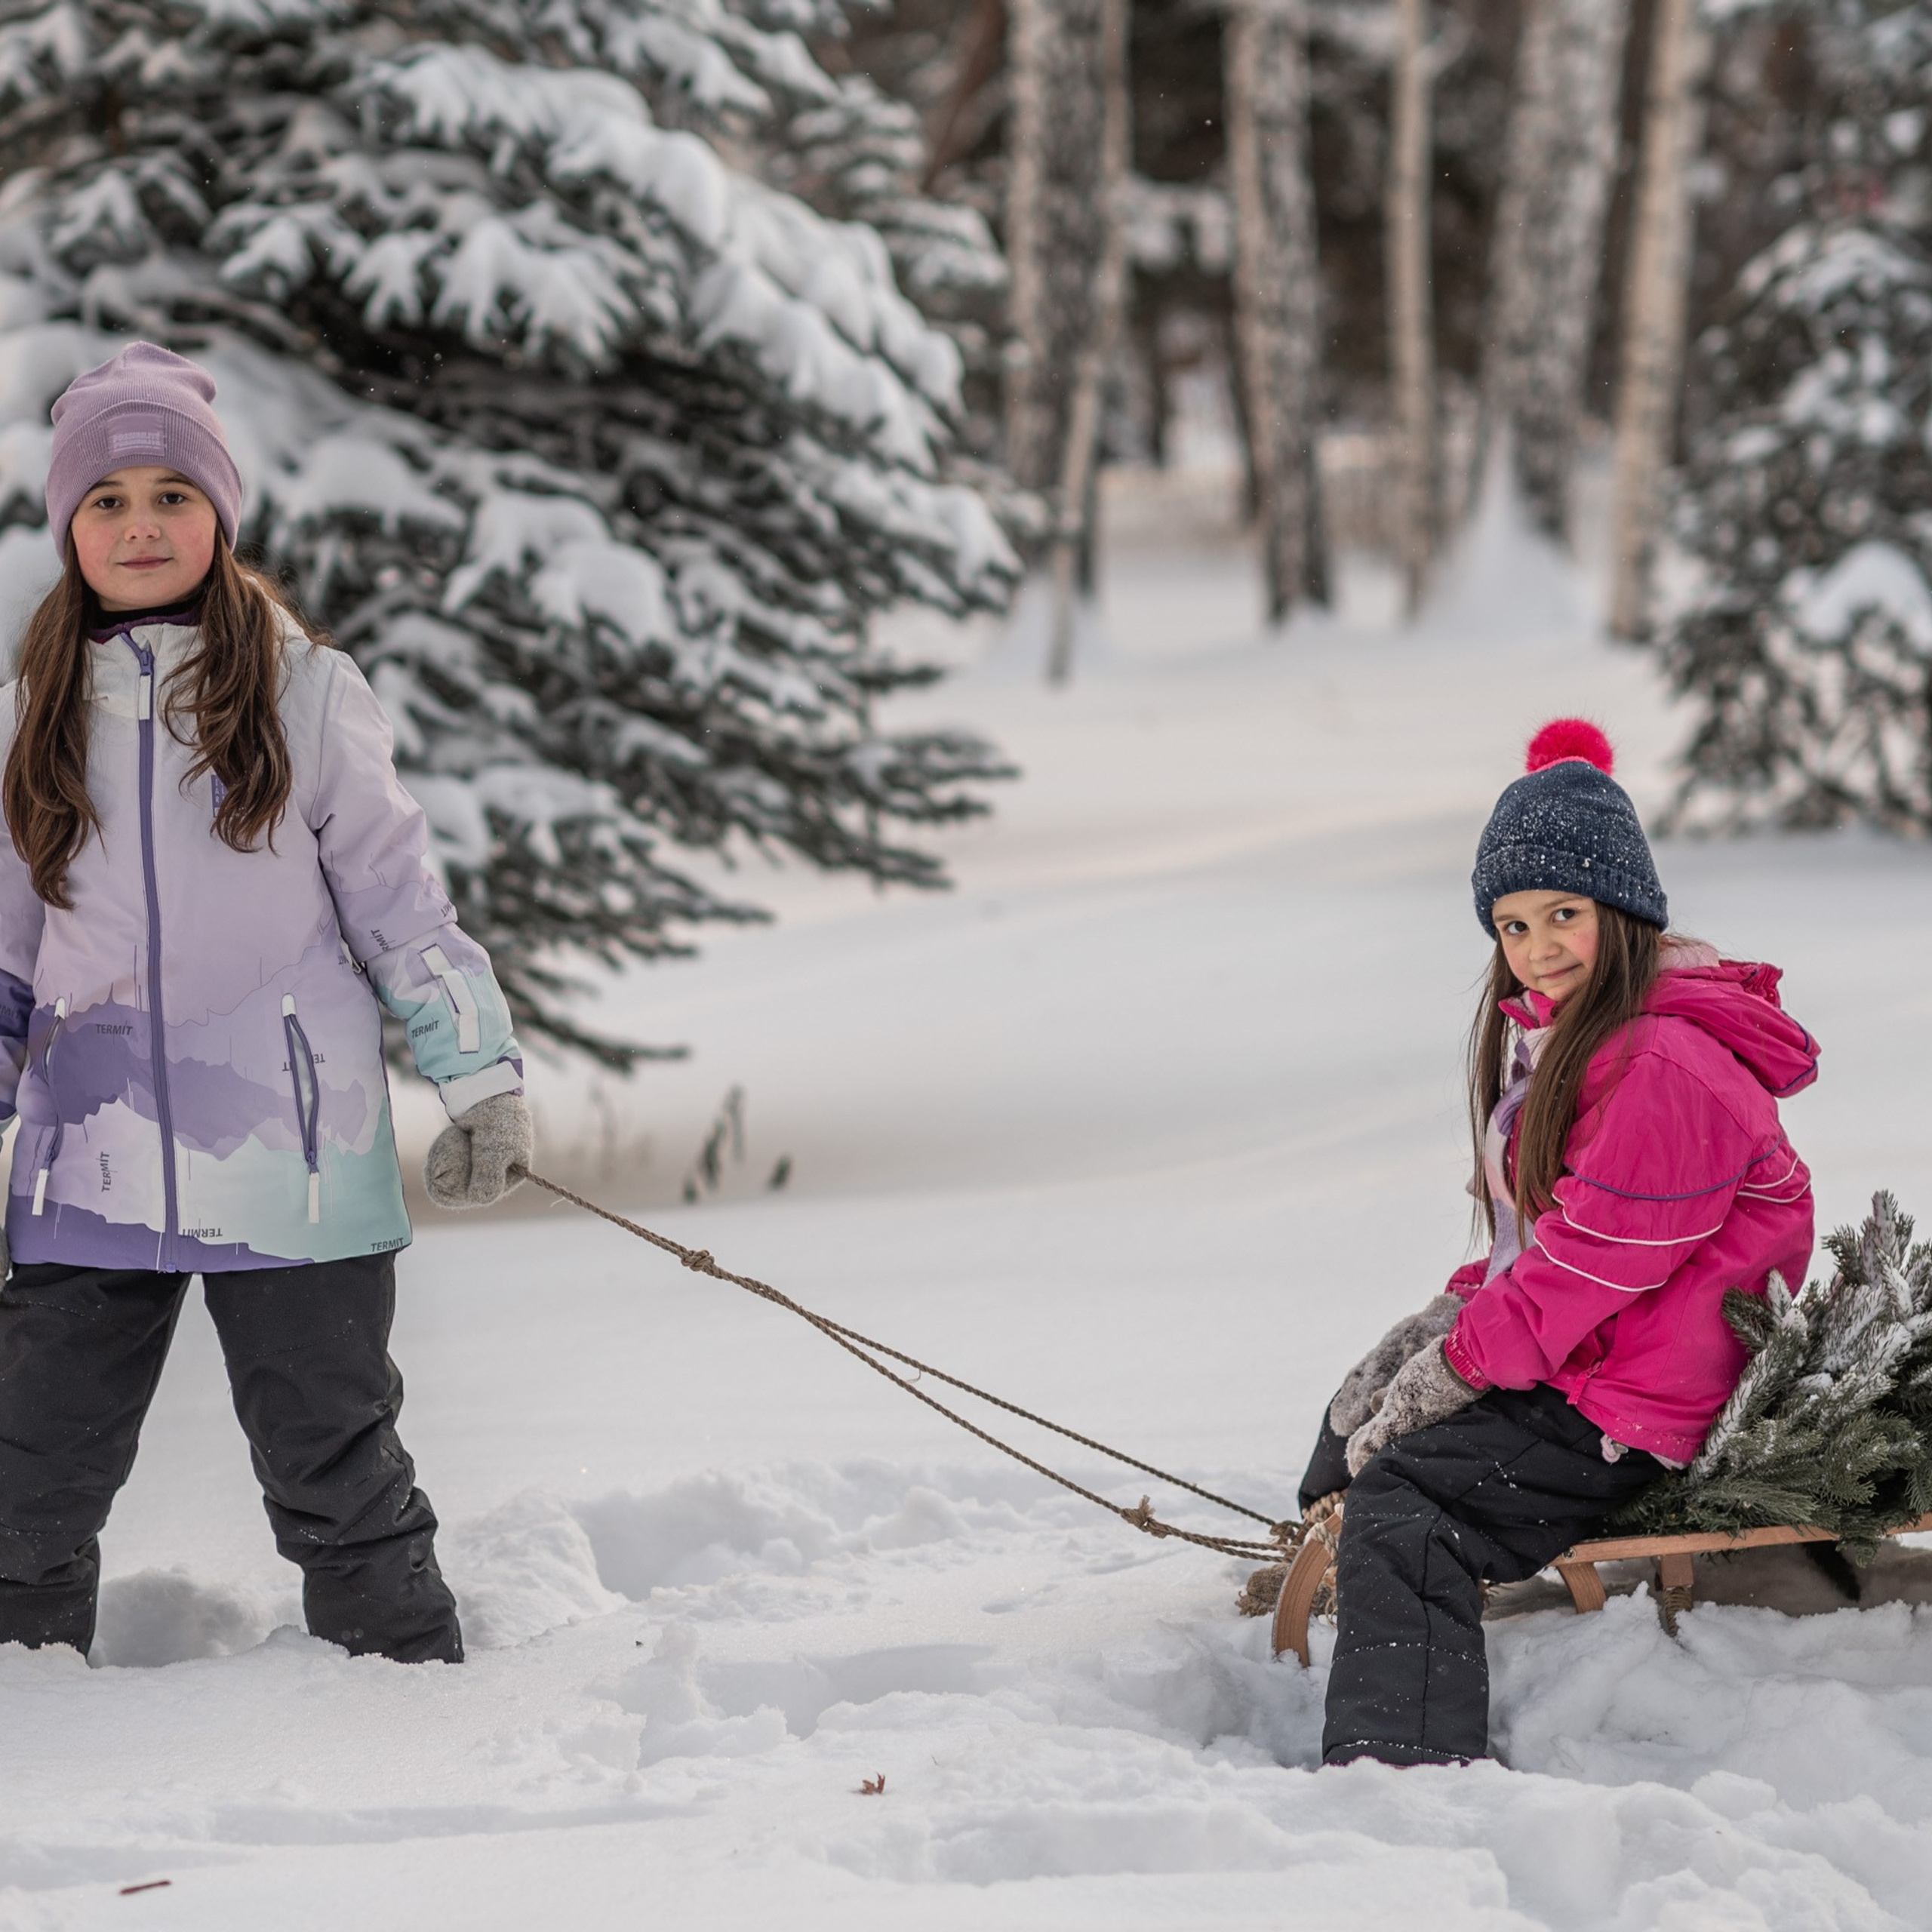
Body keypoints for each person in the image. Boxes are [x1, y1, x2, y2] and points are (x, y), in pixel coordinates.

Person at [0, 343, 535, 1665]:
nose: (140, 525)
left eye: (171, 495)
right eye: (108, 498)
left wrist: (482, 1080)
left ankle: (403, 1701)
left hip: (296, 1159)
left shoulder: (306, 693)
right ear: (69, 522)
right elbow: (6, 964)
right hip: (92, 1163)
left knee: (337, 1470)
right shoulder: (29, 715)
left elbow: (404, 910)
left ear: (221, 517)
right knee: (25, 1489)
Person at [1309, 718, 1818, 1767]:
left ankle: (1400, 1768)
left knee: (1410, 1504)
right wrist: (1445, 1320)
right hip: (1586, 1357)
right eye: (1511, 925)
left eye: (1563, 915)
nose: (1538, 946)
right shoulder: (1575, 1048)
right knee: (1344, 1440)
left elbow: (1592, 1264)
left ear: (1623, 913)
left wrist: (1457, 1367)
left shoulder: (1666, 1067)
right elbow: (1529, 1239)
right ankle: (1343, 1603)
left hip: (1633, 1400)